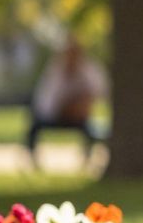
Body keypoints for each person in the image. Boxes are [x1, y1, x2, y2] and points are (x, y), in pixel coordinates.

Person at [26, 35, 108, 169]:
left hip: (78, 116)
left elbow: (100, 90)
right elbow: (48, 101)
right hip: (54, 115)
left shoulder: (88, 70)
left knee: (89, 122)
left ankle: (87, 158)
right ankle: (33, 159)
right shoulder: (56, 71)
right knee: (33, 126)